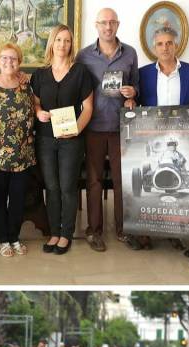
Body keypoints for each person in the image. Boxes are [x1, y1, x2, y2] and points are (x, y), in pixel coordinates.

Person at [77, 7, 140, 252]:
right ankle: (94, 231)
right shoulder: (83, 56)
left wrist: (132, 94)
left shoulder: (130, 53)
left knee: (122, 180)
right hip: (92, 127)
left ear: (118, 24)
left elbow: (137, 86)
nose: (108, 27)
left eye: (112, 22)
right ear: (96, 25)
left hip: (120, 127)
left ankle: (124, 230)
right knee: (93, 181)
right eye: (103, 22)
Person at [32, 24, 96, 255]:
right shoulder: (40, 74)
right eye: (59, 40)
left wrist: (77, 129)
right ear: (52, 42)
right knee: (52, 187)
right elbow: (36, 103)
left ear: (71, 45)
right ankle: (54, 233)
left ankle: (66, 234)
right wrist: (38, 112)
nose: (63, 44)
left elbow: (88, 107)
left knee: (68, 187)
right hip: (46, 139)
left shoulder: (80, 72)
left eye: (67, 41)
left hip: (71, 140)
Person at [137, 27, 189, 252]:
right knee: (149, 187)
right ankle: (145, 232)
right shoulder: (143, 73)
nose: (165, 47)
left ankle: (174, 233)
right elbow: (136, 102)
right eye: (160, 44)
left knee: (178, 189)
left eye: (169, 43)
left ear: (176, 45)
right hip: (153, 136)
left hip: (182, 135)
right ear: (154, 48)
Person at [0, 43, 36, 258]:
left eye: (13, 58)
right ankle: (2, 239)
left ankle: (14, 237)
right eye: (4, 58)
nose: (9, 62)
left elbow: (36, 108)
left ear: (19, 62)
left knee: (19, 200)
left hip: (23, 155)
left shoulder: (27, 87)